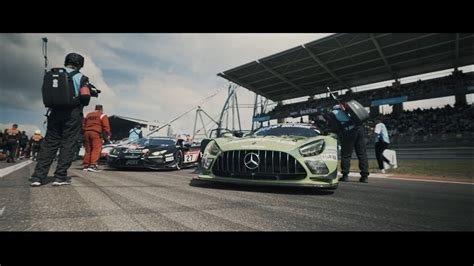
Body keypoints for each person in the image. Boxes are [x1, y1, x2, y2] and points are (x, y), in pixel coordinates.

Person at [30, 52, 93, 187]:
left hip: (54, 113)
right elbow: (86, 98)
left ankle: (38, 177)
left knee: (49, 144)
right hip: (72, 114)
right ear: (80, 65)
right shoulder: (81, 77)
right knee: (68, 144)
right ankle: (60, 177)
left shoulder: (52, 75)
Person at [330, 104, 369, 183]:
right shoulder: (349, 110)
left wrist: (340, 133)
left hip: (348, 132)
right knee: (362, 154)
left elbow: (335, 127)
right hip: (360, 129)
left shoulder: (333, 113)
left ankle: (345, 175)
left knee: (346, 155)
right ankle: (364, 176)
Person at [82, 105, 111, 172]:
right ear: (101, 109)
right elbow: (106, 126)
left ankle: (86, 165)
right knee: (96, 149)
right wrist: (108, 134)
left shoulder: (88, 115)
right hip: (96, 133)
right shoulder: (102, 115)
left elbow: (83, 124)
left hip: (86, 133)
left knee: (88, 149)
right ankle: (93, 165)